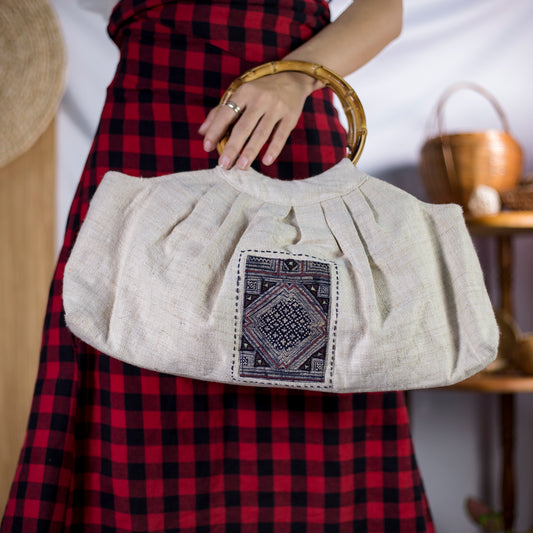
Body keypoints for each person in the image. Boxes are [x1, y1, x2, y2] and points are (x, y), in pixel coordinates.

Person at [1, 0, 435, 530]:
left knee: (307, 381)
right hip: (154, 122)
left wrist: (296, 76)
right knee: (136, 376)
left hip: (287, 126)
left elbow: (383, 11)